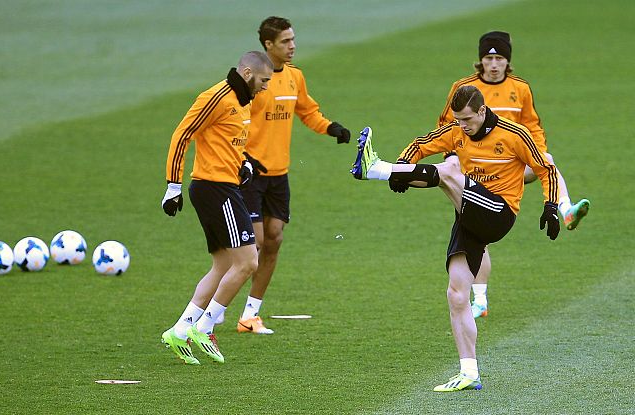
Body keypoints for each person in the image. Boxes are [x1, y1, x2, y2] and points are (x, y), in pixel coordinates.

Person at [351, 85, 560, 391]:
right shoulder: (455, 131)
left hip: (499, 213)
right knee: (457, 294)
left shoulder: (514, 134)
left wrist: (551, 206)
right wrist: (404, 166)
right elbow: (421, 144)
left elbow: (547, 169)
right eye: (458, 119)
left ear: (482, 111)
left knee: (449, 171)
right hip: (468, 217)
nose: (463, 125)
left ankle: (377, 170)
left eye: (468, 119)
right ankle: (469, 373)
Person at [428, 31, 590, 319]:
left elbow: (533, 125)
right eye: (488, 59)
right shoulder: (464, 89)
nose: (494, 65)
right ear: (480, 60)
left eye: (500, 59)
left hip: (513, 165)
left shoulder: (520, 88)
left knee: (547, 162)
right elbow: (445, 125)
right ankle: (480, 300)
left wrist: (537, 153)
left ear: (507, 61)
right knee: (477, 233)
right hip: (477, 170)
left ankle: (565, 209)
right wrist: (451, 158)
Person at [224, 16, 351, 335]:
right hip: (250, 173)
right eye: (285, 41)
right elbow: (234, 121)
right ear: (268, 44)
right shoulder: (254, 81)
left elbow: (307, 111)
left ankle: (250, 315)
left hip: (279, 174)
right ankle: (214, 307)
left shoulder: (295, 76)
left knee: (274, 239)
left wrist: (330, 128)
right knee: (254, 243)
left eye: (293, 39)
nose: (292, 46)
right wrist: (243, 157)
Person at [159, 50, 275, 364]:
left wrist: (244, 163)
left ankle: (180, 330)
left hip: (224, 186)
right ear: (248, 74)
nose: (265, 87)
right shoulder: (217, 97)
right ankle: (205, 326)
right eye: (263, 80)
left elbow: (227, 142)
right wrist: (173, 185)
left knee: (223, 265)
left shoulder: (243, 101)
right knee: (248, 262)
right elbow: (182, 134)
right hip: (215, 189)